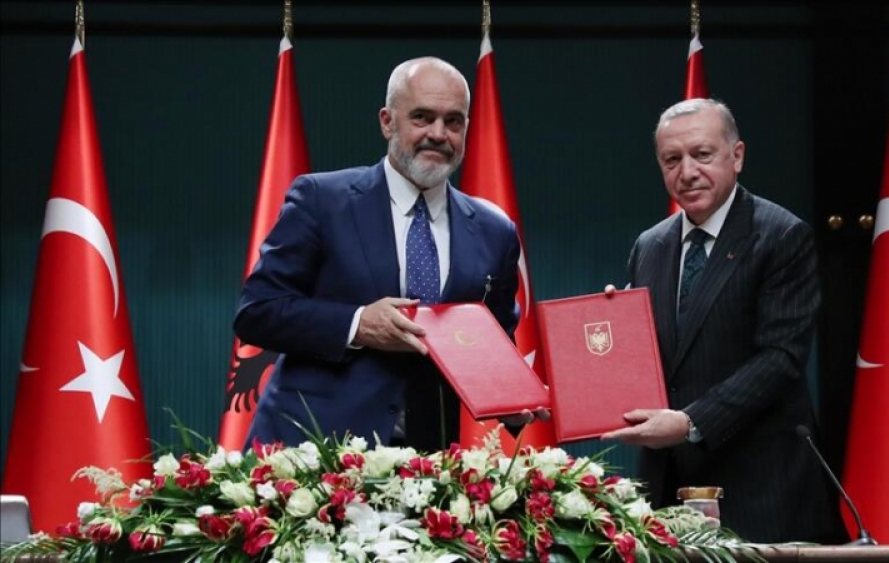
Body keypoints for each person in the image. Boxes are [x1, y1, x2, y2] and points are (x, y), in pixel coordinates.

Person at [236, 57, 537, 453]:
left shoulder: (494, 231)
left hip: (427, 464)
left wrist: (517, 399)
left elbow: (493, 346)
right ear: (387, 122)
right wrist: (357, 324)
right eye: (422, 117)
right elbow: (256, 312)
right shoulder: (321, 200)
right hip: (311, 453)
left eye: (453, 122)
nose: (438, 134)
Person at [601, 98, 847, 544]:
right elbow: (653, 358)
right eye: (672, 160)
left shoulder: (781, 235)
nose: (687, 172)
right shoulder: (649, 246)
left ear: (737, 156)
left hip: (761, 490)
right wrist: (615, 331)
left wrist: (690, 422)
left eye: (702, 154)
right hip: (668, 493)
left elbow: (780, 358)